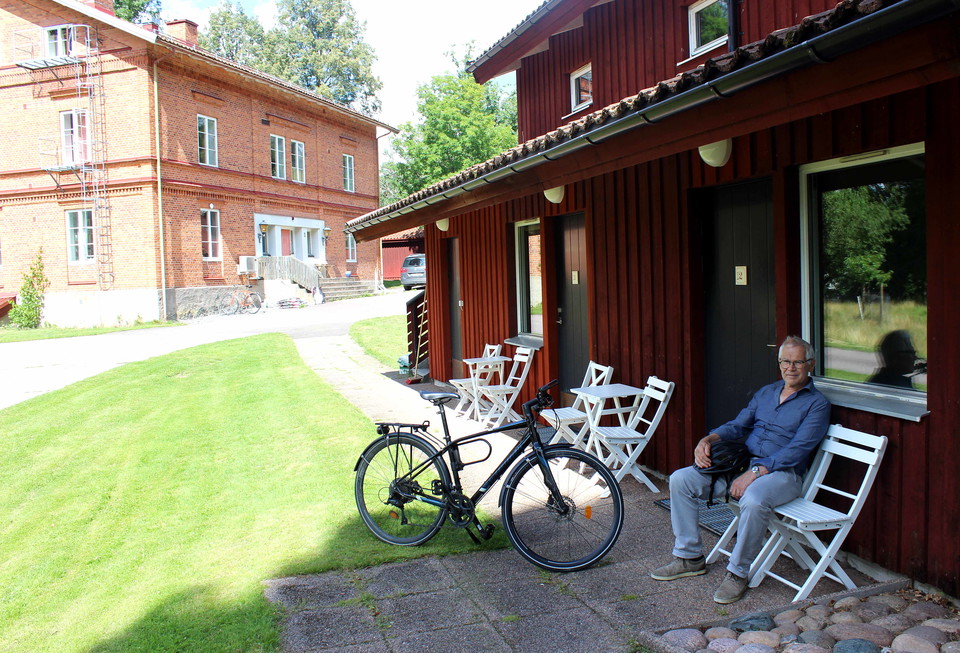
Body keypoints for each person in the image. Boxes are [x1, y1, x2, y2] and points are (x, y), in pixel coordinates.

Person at [650, 335, 831, 604]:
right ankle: (689, 557)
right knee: (681, 480)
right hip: (742, 465)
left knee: (754, 499)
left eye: (798, 362)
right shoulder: (767, 393)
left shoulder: (817, 404)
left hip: (783, 475)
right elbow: (738, 425)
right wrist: (709, 439)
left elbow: (799, 450)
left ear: (811, 365)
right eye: (785, 361)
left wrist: (756, 472)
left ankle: (738, 573)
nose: (790, 368)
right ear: (779, 363)